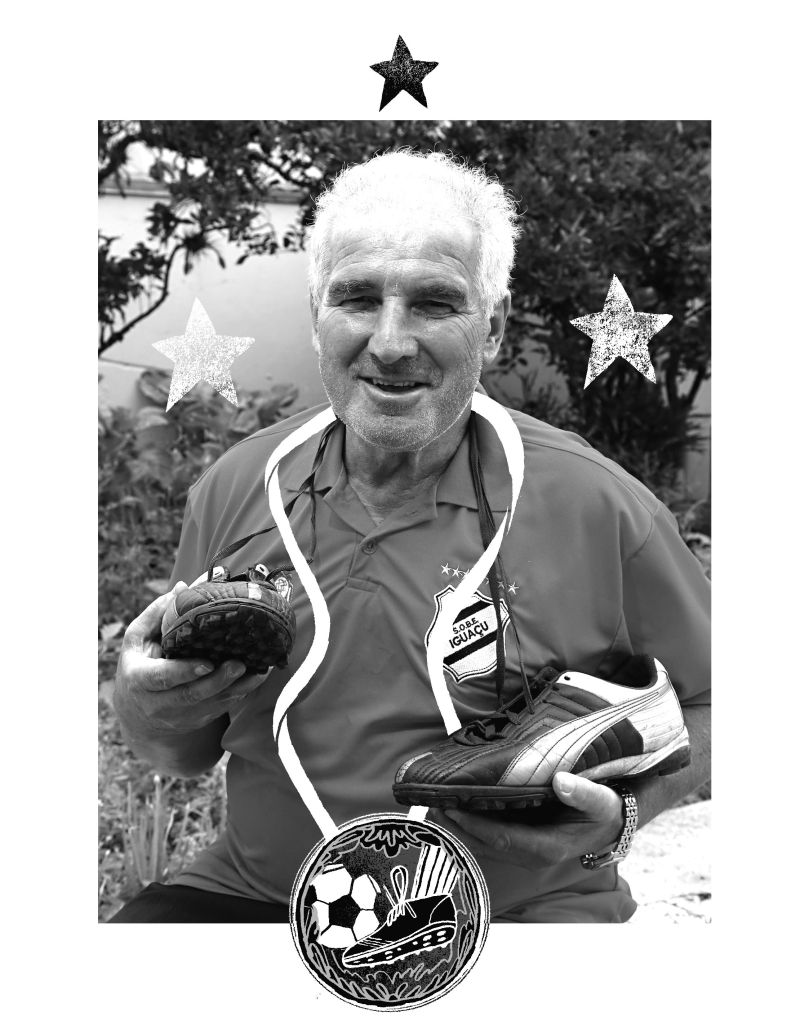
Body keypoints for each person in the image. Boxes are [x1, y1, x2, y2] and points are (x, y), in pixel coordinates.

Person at [110, 150, 710, 924]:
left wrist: (620, 819)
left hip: (515, 912)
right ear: (318, 315)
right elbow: (182, 752)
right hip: (264, 895)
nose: (390, 342)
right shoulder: (235, 486)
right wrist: (142, 703)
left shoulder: (598, 503)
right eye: (358, 298)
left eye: (434, 303)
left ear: (492, 328)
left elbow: (719, 700)